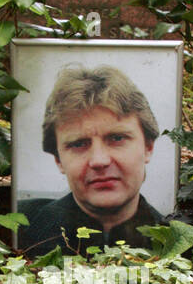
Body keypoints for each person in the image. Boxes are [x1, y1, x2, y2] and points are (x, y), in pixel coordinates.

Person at [18, 65, 166, 257]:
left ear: (148, 147)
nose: (99, 161)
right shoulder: (20, 228)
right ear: (58, 159)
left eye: (117, 138)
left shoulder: (175, 243)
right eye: (79, 144)